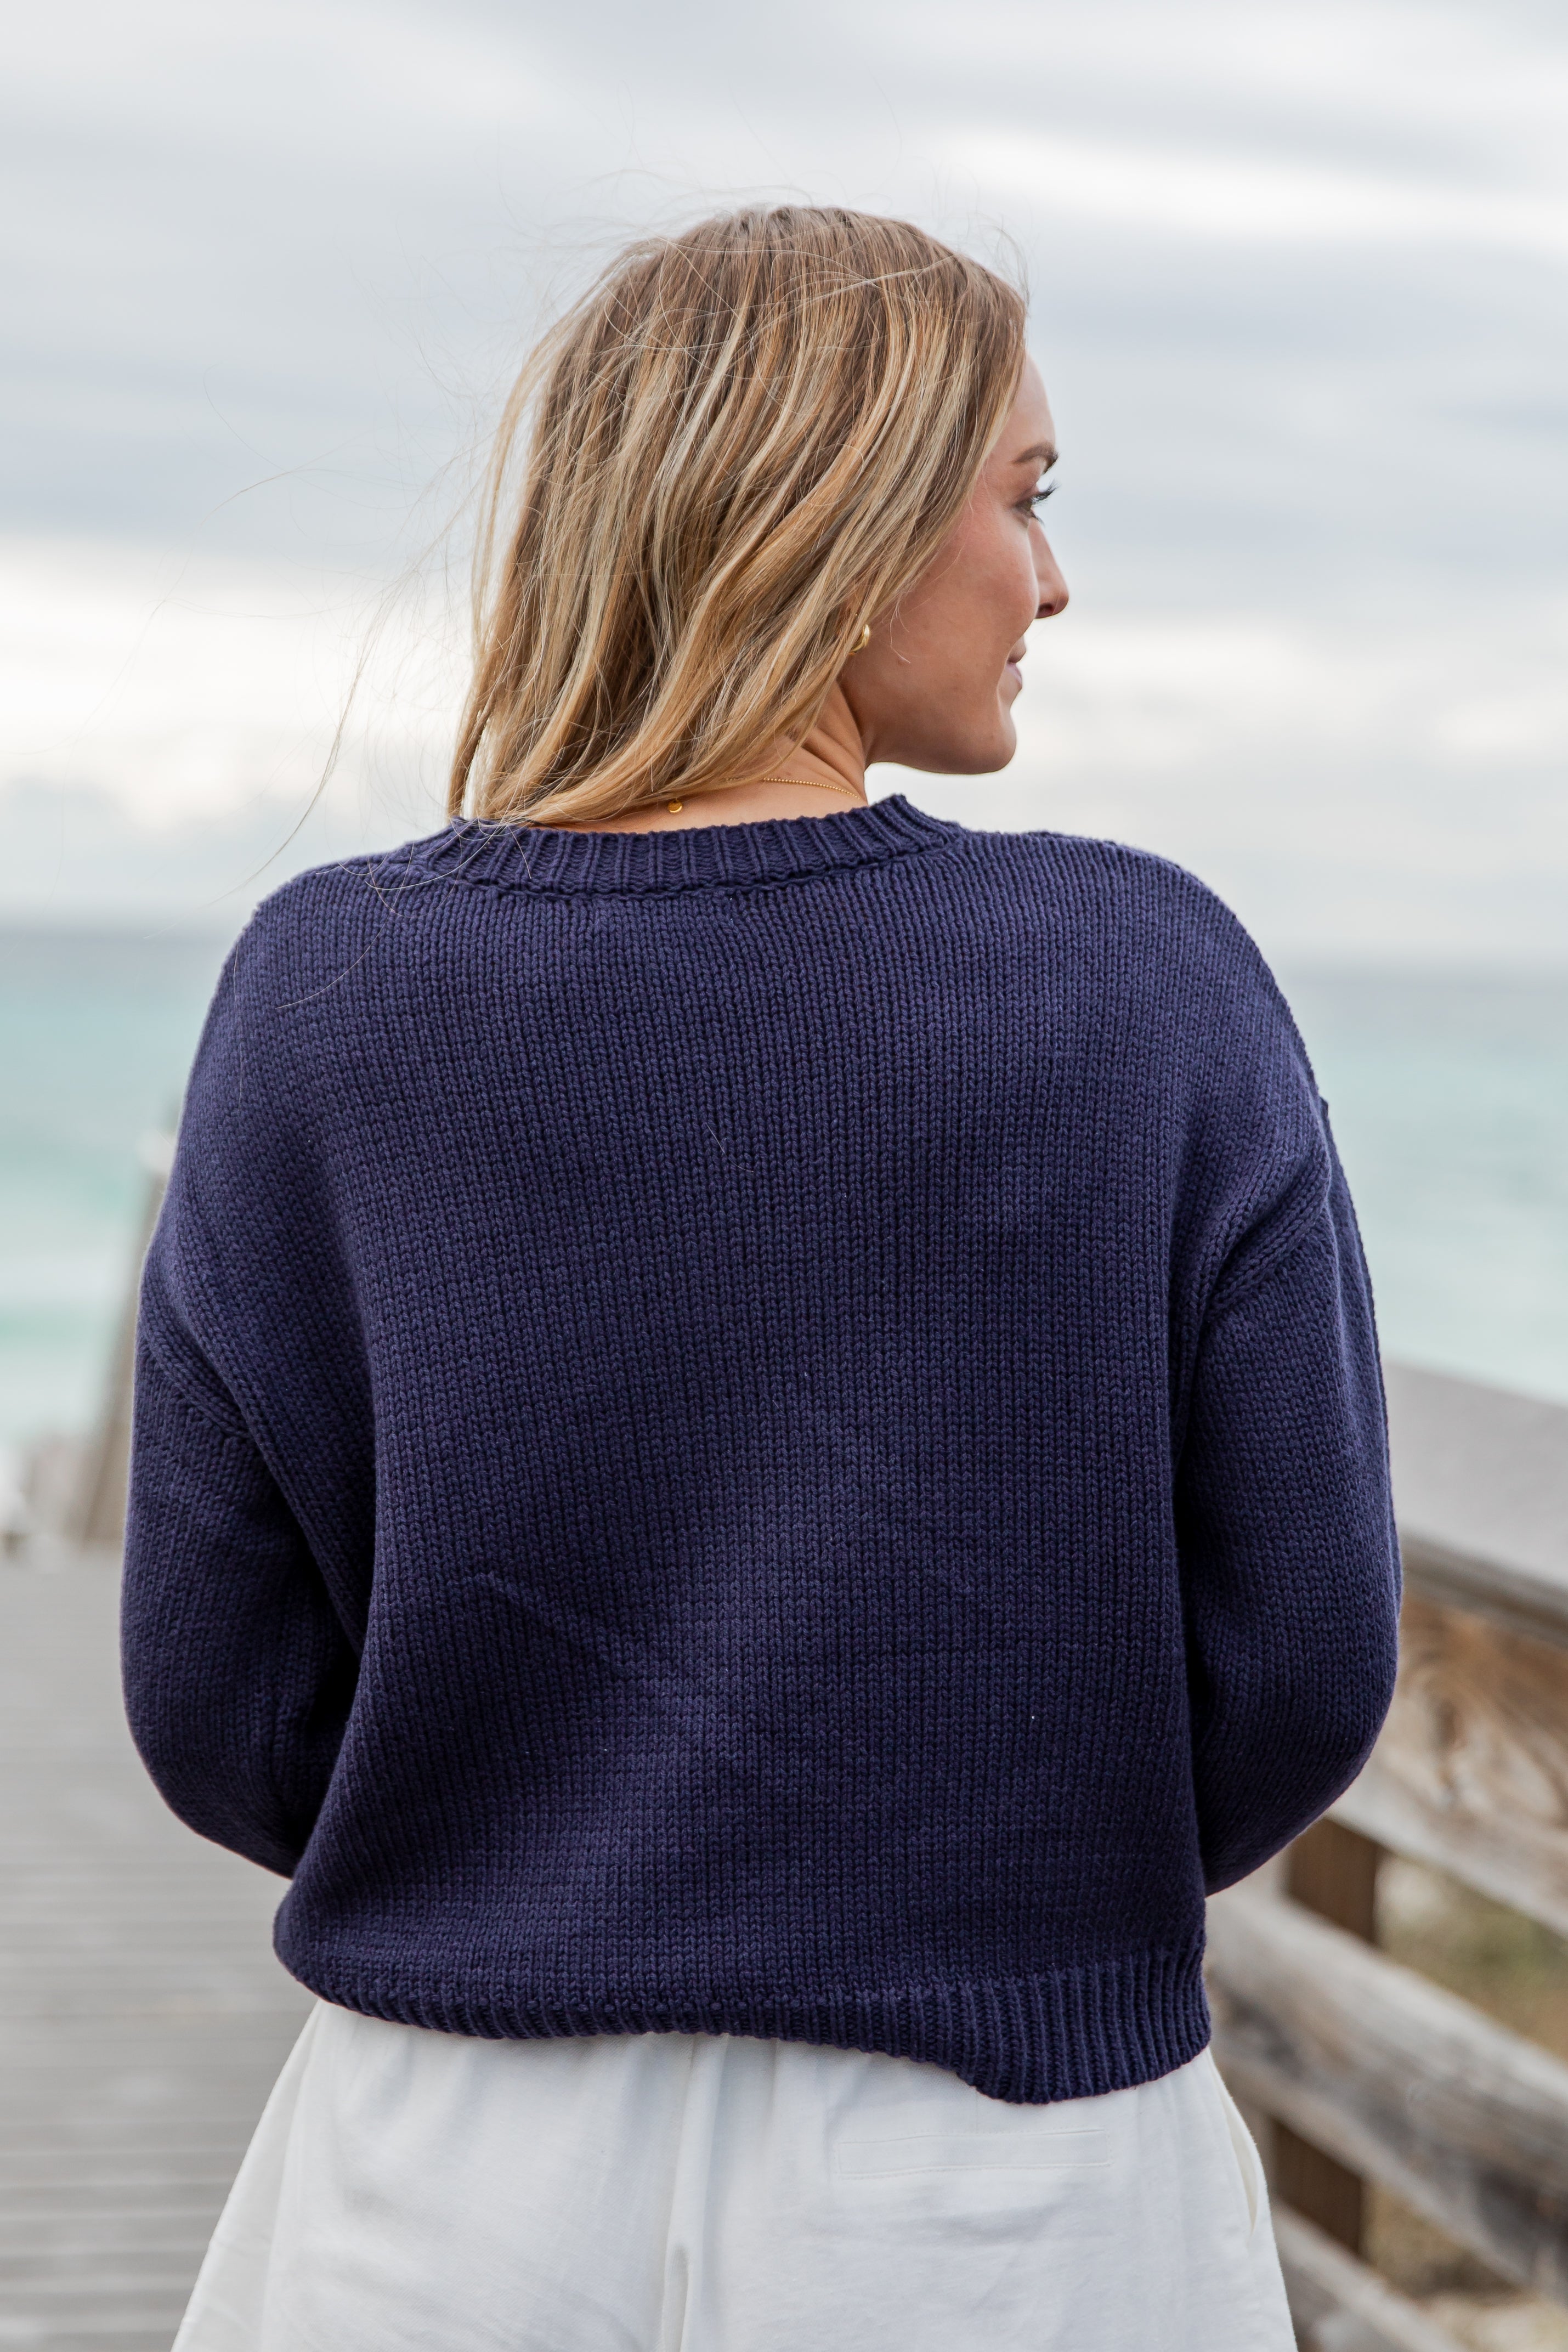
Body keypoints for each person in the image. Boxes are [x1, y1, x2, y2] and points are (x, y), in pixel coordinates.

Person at [122, 206, 1400, 2350]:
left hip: (442, 2171)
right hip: (1009, 2172)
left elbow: (221, 1698)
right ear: (838, 505)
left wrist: (545, 1861)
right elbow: (1294, 1661)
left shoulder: (324, 990)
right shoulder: (1138, 982)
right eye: (1025, 496)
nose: (1053, 579)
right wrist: (1001, 1872)